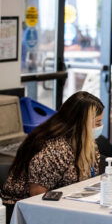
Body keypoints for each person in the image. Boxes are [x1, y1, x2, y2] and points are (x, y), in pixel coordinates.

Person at [1, 91, 104, 222]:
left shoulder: (85, 143)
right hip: (25, 211)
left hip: (65, 204)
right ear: (80, 123)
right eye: (97, 123)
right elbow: (38, 198)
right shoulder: (54, 150)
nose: (100, 127)